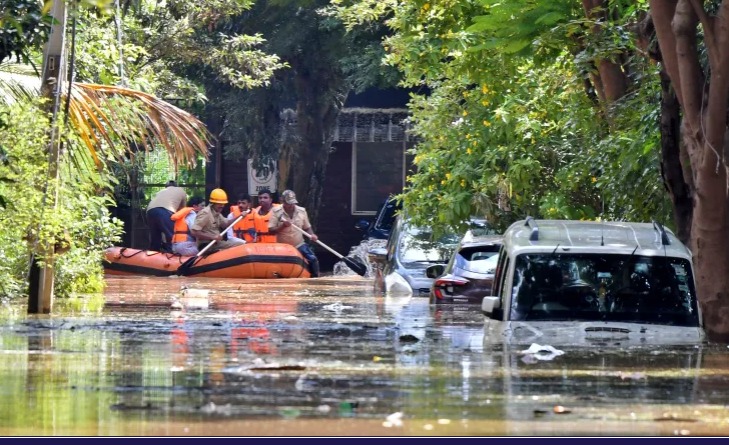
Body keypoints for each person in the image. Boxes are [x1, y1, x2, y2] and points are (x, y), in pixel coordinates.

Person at [268, 189, 320, 277]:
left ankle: (315, 278)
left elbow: (307, 227)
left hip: (299, 244)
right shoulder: (275, 211)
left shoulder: (302, 211)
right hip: (283, 246)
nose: (291, 205)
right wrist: (282, 226)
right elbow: (271, 231)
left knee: (313, 259)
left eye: (293, 203)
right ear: (282, 201)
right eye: (288, 203)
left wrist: (312, 234)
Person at [190, 188, 246, 254]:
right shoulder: (205, 213)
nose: (222, 206)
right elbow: (194, 232)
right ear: (213, 203)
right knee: (240, 245)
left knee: (241, 243)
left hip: (216, 243)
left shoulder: (217, 213)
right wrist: (212, 237)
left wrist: (240, 216)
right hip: (207, 245)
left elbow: (226, 223)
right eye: (219, 204)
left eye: (223, 204)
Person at [146, 180, 187, 252]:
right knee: (171, 235)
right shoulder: (181, 190)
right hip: (165, 211)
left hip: (150, 211)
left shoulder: (161, 191)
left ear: (166, 186)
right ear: (176, 186)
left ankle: (153, 253)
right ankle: (170, 254)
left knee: (155, 236)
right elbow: (182, 210)